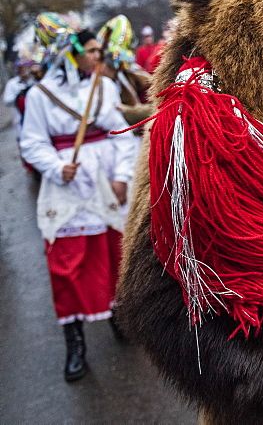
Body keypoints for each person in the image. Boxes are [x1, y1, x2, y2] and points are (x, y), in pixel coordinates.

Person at [19, 29, 138, 381]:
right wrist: (57, 168)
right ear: (70, 54)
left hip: (106, 183)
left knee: (116, 252)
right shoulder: (40, 95)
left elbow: (122, 135)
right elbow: (32, 142)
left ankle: (120, 319)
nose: (98, 55)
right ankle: (75, 343)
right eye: (90, 50)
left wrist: (121, 177)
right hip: (67, 186)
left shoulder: (103, 87)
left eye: (99, 49)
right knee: (67, 264)